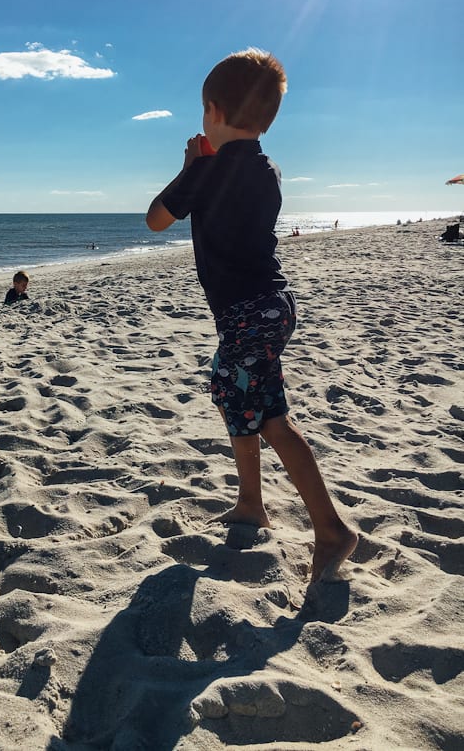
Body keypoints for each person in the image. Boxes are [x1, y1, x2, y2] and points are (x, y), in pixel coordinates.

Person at [146, 48, 357, 584]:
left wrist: (190, 167)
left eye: (203, 113)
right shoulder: (268, 168)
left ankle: (331, 530)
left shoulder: (206, 172)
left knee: (267, 417)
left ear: (213, 112)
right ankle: (250, 504)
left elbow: (155, 220)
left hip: (247, 313)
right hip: (269, 306)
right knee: (232, 391)